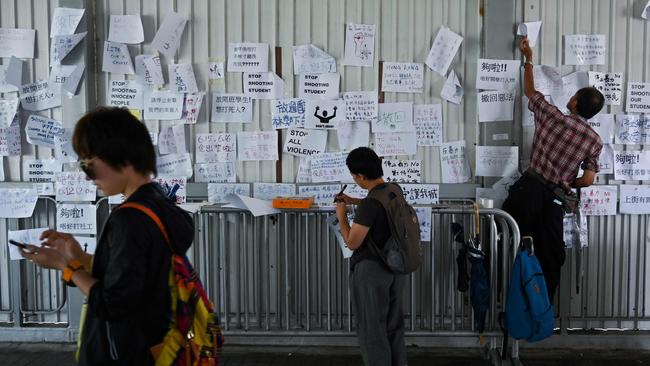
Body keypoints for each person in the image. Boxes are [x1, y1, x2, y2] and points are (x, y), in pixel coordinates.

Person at [20, 107, 194, 365]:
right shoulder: (161, 204)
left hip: (127, 351)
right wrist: (78, 255)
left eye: (89, 166)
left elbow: (114, 304)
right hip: (161, 340)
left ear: (123, 160)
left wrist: (65, 266)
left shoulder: (130, 218)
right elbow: (133, 274)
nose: (89, 178)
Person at [503, 38, 604, 303]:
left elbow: (530, 91)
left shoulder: (552, 115)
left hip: (528, 191)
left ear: (573, 101)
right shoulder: (594, 141)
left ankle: (508, 301)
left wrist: (529, 59)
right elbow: (588, 180)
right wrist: (569, 179)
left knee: (510, 242)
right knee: (550, 256)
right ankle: (542, 308)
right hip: (554, 201)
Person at [335, 147, 407, 366]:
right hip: (396, 267)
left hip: (372, 271)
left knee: (372, 329)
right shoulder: (393, 190)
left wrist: (341, 216)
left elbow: (352, 241)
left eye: (354, 176)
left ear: (360, 176)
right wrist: (353, 201)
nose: (354, 180)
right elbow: (377, 205)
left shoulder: (370, 204)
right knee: (393, 326)